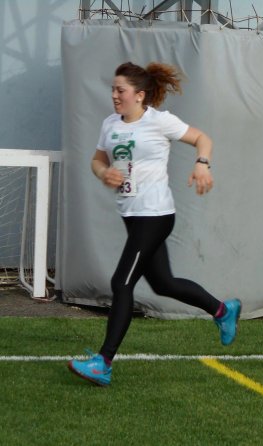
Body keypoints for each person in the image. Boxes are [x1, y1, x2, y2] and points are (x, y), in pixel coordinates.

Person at [67, 61, 241, 387]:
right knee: (164, 283)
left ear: (140, 95)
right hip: (132, 216)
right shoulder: (110, 124)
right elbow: (97, 159)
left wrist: (203, 164)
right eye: (113, 90)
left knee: (122, 284)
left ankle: (103, 363)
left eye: (121, 90)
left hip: (155, 214)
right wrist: (104, 173)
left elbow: (203, 138)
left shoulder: (159, 122)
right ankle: (222, 310)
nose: (115, 95)